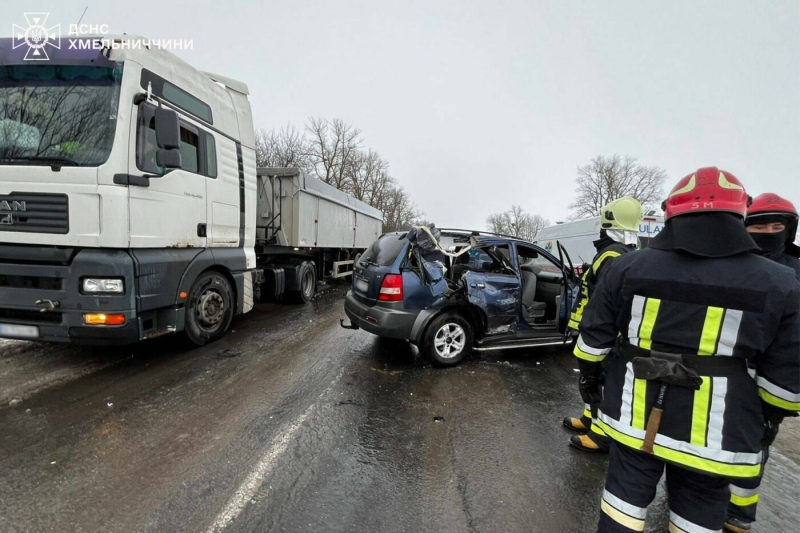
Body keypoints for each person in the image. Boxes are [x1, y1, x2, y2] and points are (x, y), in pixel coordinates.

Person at [576, 167, 800, 532]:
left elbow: (594, 334)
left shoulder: (630, 266)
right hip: (719, 428)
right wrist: (772, 415)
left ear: (672, 213)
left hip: (634, 410)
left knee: (623, 500)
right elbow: (787, 368)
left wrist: (590, 374)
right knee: (699, 509)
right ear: (738, 214)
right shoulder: (781, 282)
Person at [724, 192, 800, 533]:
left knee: (754, 448)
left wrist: (777, 407)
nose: (768, 231)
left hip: (770, 381)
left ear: (790, 229)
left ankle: (739, 513)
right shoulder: (732, 264)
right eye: (758, 224)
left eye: (776, 224)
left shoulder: (795, 273)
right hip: (727, 372)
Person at [563, 196, 643, 453]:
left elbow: (601, 302)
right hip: (599, 329)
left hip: (602, 333)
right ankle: (590, 419)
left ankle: (601, 435)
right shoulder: (622, 253)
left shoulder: (612, 256)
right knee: (594, 380)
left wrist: (589, 334)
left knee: (601, 381)